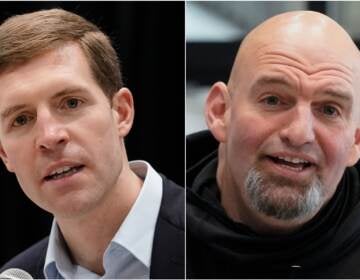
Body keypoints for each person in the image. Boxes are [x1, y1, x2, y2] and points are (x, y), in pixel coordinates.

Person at [0, 8, 184, 279]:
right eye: (21, 119)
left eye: (71, 103)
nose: (50, 137)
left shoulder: (216, 245)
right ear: (4, 154)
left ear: (121, 112)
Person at [187, 10, 360, 278]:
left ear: (356, 141)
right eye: (273, 100)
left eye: (329, 110)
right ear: (220, 111)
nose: (300, 134)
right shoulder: (154, 228)